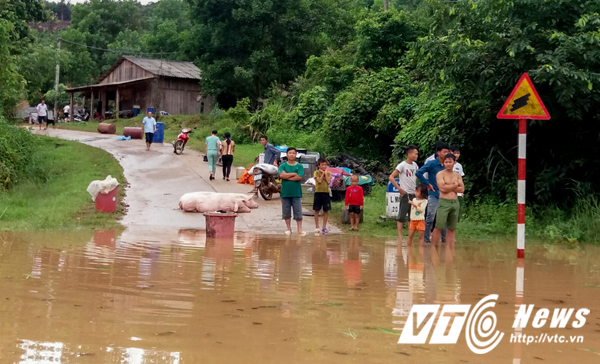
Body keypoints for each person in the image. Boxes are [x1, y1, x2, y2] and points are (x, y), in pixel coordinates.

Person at [416, 143, 450, 243]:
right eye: (445, 152)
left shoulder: (448, 164)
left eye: (448, 152)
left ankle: (444, 240)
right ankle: (426, 240)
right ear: (438, 153)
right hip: (434, 195)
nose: (447, 153)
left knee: (443, 219)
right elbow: (418, 173)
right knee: (430, 217)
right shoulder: (432, 163)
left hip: (445, 196)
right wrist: (427, 184)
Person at [432, 153, 464, 247]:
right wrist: (454, 185)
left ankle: (449, 247)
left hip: (455, 202)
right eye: (446, 162)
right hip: (444, 202)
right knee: (439, 226)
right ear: (444, 163)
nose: (448, 164)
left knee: (452, 227)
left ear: (454, 162)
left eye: (450, 162)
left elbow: (462, 189)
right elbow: (442, 189)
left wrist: (448, 186)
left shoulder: (458, 175)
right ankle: (433, 246)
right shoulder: (440, 174)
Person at [389, 145, 419, 241]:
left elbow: (417, 175)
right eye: (415, 154)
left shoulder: (415, 165)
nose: (416, 156)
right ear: (409, 154)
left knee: (412, 216)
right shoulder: (402, 165)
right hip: (405, 194)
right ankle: (400, 236)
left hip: (413, 193)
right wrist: (399, 189)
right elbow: (391, 177)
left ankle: (410, 236)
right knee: (401, 216)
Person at [279, 147, 305, 235]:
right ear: (287, 154)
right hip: (285, 193)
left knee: (298, 212)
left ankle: (299, 229)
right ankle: (288, 229)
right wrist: (293, 174)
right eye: (290, 153)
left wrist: (287, 176)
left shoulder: (299, 166)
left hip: (296, 193)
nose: (291, 155)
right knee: (286, 212)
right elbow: (281, 175)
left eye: (293, 153)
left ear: (296, 154)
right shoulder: (282, 165)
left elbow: (299, 177)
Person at [313, 158, 332, 234]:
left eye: (325, 165)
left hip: (326, 193)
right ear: (319, 165)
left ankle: (324, 227)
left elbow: (328, 181)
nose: (324, 166)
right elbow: (320, 181)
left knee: (326, 210)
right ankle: (317, 226)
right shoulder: (316, 172)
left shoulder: (329, 173)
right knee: (316, 210)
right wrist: (323, 174)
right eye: (322, 165)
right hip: (318, 192)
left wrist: (326, 174)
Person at [450, 145, 465, 221]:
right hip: (448, 191)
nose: (456, 155)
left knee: (456, 213)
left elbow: (460, 179)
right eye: (454, 153)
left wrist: (461, 191)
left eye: (458, 153)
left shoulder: (459, 166)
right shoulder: (447, 164)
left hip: (457, 191)